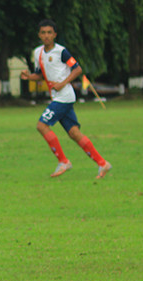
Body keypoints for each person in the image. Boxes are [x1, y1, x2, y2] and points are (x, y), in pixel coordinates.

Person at [20, 19, 111, 179]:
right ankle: (103, 164)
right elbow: (40, 75)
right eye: (43, 33)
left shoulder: (61, 51)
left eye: (49, 32)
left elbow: (77, 69)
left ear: (55, 34)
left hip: (64, 96)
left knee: (42, 126)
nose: (46, 36)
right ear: (39, 35)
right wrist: (29, 77)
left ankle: (63, 161)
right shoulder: (38, 52)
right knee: (74, 133)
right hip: (59, 97)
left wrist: (62, 84)